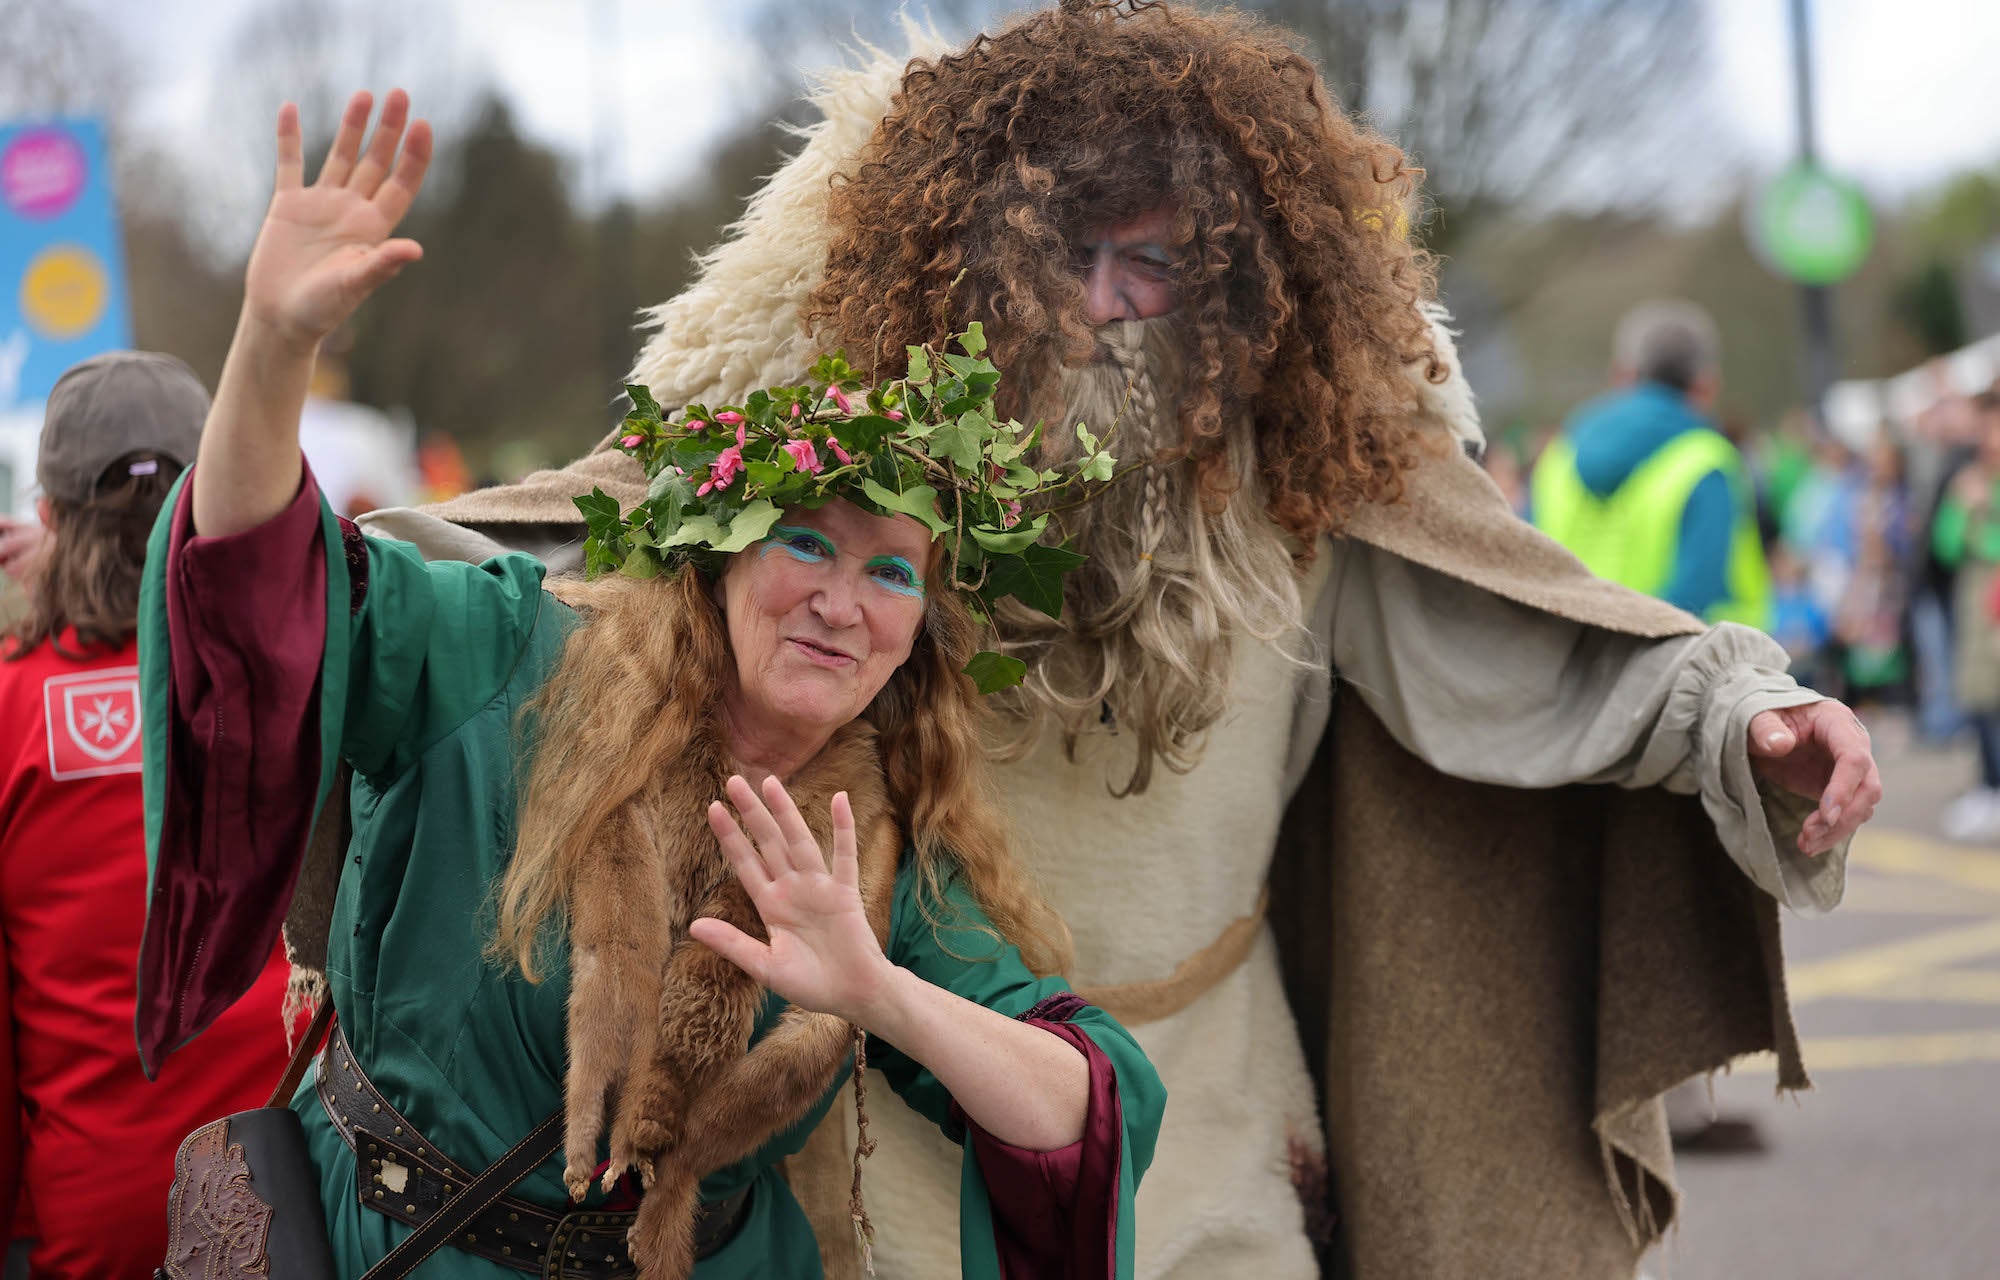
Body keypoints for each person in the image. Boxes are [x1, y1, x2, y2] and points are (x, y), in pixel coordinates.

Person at [341, 4, 1882, 1277]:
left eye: (1155, 268)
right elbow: (599, 547)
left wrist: (1735, 717)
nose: (1103, 308)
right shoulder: (883, 452)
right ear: (977, 257)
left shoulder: (1318, 484)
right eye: (1068, 254)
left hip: (1210, 1112)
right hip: (900, 1129)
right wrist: (325, 570)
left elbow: (1531, 638)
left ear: (1238, 291)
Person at [137, 87, 1163, 1278]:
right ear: (717, 556)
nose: (842, 601)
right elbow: (264, 593)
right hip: (407, 1246)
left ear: (918, 626)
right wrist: (271, 346)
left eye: (891, 570)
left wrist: (877, 987)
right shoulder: (506, 657)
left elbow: (1089, 1107)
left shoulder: (864, 843)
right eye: (804, 544)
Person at [0, 352, 295, 1279]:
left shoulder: (10, 707)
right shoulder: (294, 679)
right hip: (286, 1199)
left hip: (90, 1218)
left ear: (46, 518)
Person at [1532, 299, 1772, 629]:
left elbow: (1528, 565)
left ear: (1622, 374)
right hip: (1685, 672)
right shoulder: (1707, 460)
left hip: (1570, 663)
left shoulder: (1559, 453)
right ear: (1707, 384)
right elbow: (1698, 591)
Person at [1932, 390, 2000, 841]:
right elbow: (1945, 545)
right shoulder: (1968, 479)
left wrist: (1982, 515)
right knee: (1980, 695)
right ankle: (1989, 784)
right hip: (1976, 604)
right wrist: (1966, 510)